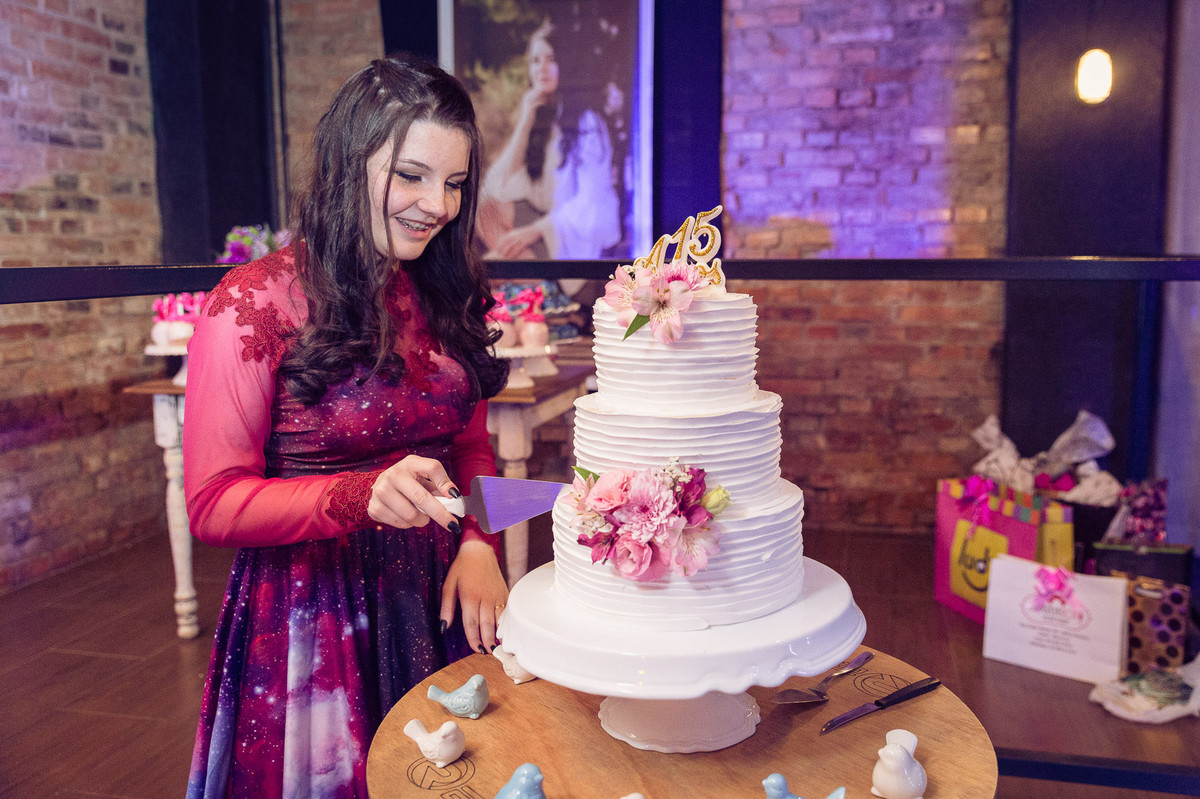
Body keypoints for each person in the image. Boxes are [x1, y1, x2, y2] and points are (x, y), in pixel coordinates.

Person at [181, 54, 510, 798]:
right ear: (347, 163)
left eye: (455, 183)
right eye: (413, 175)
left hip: (442, 596)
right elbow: (211, 501)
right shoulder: (254, 303)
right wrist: (360, 495)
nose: (438, 204)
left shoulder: (445, 292)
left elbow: (473, 446)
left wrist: (481, 541)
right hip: (313, 616)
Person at [478, 18, 622, 259]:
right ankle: (525, 278)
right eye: (535, 61)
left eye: (551, 59)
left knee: (489, 267)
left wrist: (535, 231)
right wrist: (524, 122)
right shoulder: (540, 120)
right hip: (544, 223)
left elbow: (591, 202)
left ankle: (533, 281)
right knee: (482, 208)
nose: (541, 68)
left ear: (566, 65)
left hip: (576, 237)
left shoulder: (587, 122)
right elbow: (496, 187)